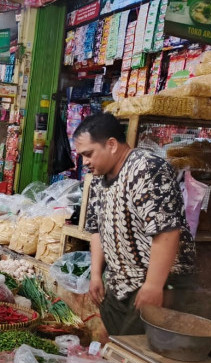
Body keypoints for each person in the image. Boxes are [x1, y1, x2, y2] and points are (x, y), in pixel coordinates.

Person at [75, 113, 195, 336]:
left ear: (111, 144)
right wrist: (95, 275)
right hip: (119, 284)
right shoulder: (99, 182)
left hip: (157, 284)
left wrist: (153, 285)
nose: (86, 162)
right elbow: (96, 231)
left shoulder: (148, 169)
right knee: (121, 350)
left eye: (88, 154)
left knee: (139, 355)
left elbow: (167, 231)